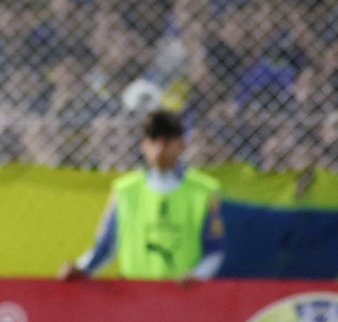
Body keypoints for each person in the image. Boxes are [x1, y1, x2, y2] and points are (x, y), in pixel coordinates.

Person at [59, 109, 225, 284]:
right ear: (143, 144)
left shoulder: (205, 190)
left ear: (181, 145)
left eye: (167, 141)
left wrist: (198, 276)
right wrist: (81, 268)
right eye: (154, 141)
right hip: (134, 295)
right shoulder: (124, 190)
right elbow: (106, 246)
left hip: (184, 294)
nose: (159, 149)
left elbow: (214, 249)